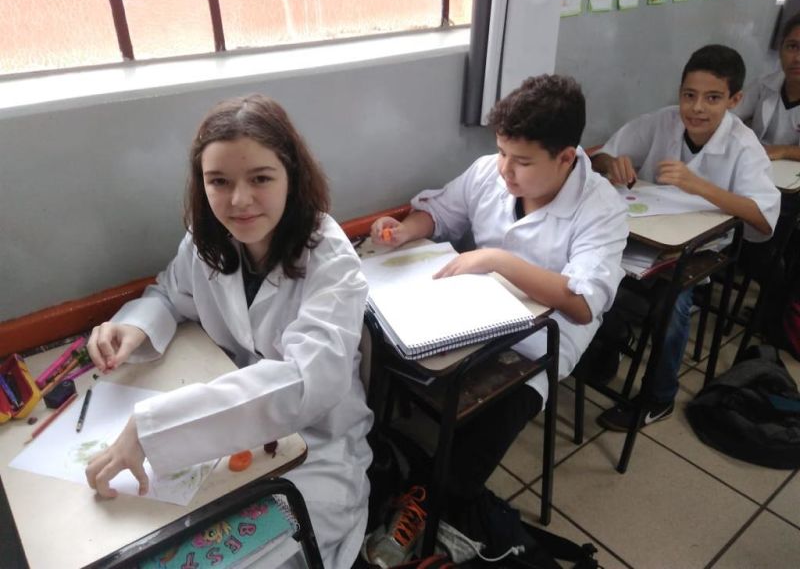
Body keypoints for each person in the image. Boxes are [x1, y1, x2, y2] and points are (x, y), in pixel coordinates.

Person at [84, 95, 373, 569]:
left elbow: (304, 382)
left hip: (316, 448)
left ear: (291, 176)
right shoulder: (208, 240)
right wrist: (134, 327)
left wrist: (152, 429)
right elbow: (169, 293)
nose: (239, 200)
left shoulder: (331, 261)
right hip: (229, 434)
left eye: (260, 178)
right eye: (219, 181)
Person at [370, 74, 629, 518]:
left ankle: (435, 504)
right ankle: (383, 466)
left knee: (492, 421)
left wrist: (499, 260)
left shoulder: (601, 208)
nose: (505, 169)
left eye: (522, 161)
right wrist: (405, 231)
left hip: (545, 334)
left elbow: (582, 304)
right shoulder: (490, 171)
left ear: (565, 158)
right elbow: (440, 212)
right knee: (383, 349)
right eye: (502, 152)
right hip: (474, 307)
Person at [592, 44, 781, 431]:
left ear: (734, 100)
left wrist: (700, 186)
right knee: (591, 268)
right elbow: (600, 157)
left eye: (712, 98)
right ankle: (604, 350)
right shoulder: (662, 121)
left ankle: (659, 397)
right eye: (689, 95)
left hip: (703, 247)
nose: (697, 108)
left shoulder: (744, 146)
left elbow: (763, 219)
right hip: (647, 230)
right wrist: (613, 163)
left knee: (671, 300)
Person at [736, 12, 800, 161]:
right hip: (757, 162)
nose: (798, 58)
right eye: (792, 47)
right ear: (781, 49)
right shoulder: (763, 85)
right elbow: (728, 116)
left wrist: (785, 151)